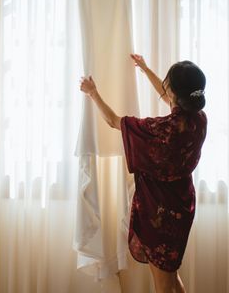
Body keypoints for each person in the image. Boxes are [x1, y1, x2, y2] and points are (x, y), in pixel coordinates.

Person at [79, 53, 207, 293]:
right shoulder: (199, 119)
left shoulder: (161, 130)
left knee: (162, 283)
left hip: (159, 211)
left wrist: (93, 92)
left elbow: (114, 121)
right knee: (170, 274)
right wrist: (146, 69)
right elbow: (173, 95)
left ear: (173, 93)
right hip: (182, 206)